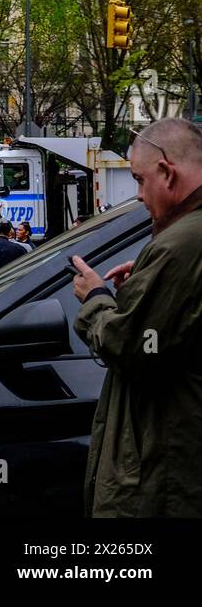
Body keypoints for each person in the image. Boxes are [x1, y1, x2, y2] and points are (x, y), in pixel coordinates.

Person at [71, 118, 202, 516]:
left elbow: (131, 347)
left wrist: (95, 298)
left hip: (168, 476)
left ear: (167, 172)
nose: (140, 195)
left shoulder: (182, 244)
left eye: (141, 180)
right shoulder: (184, 240)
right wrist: (147, 285)